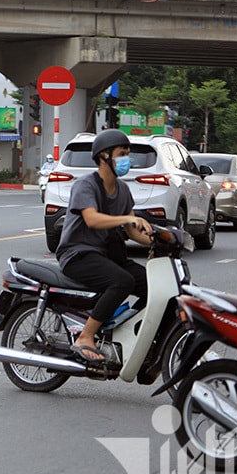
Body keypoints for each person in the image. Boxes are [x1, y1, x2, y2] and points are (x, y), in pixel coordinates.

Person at [55, 130, 153, 367]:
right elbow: (92, 219)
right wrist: (127, 220)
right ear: (103, 156)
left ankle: (124, 331)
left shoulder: (123, 190)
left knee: (154, 285)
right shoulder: (86, 185)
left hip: (107, 255)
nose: (126, 159)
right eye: (122, 154)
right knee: (122, 281)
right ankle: (85, 336)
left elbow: (132, 231)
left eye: (128, 154)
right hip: (78, 254)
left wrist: (158, 239)